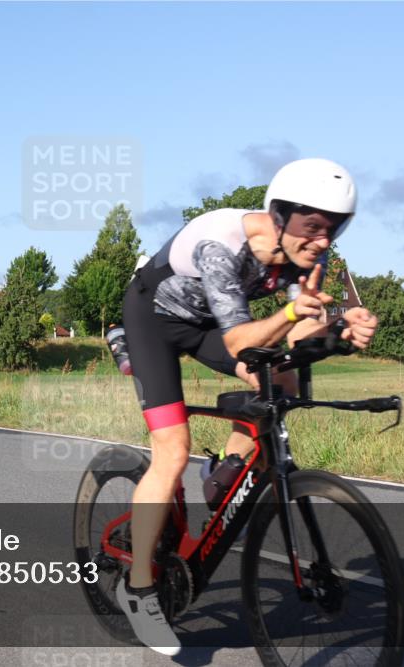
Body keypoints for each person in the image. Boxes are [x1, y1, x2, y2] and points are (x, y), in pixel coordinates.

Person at [115, 158, 380, 655]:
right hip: (153, 319)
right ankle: (140, 589)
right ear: (279, 216)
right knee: (172, 452)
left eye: (334, 229)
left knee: (280, 375)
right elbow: (240, 341)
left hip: (205, 324)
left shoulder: (307, 258)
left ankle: (229, 469)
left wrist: (343, 330)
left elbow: (300, 334)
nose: (323, 240)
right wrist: (287, 313)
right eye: (313, 226)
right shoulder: (222, 244)